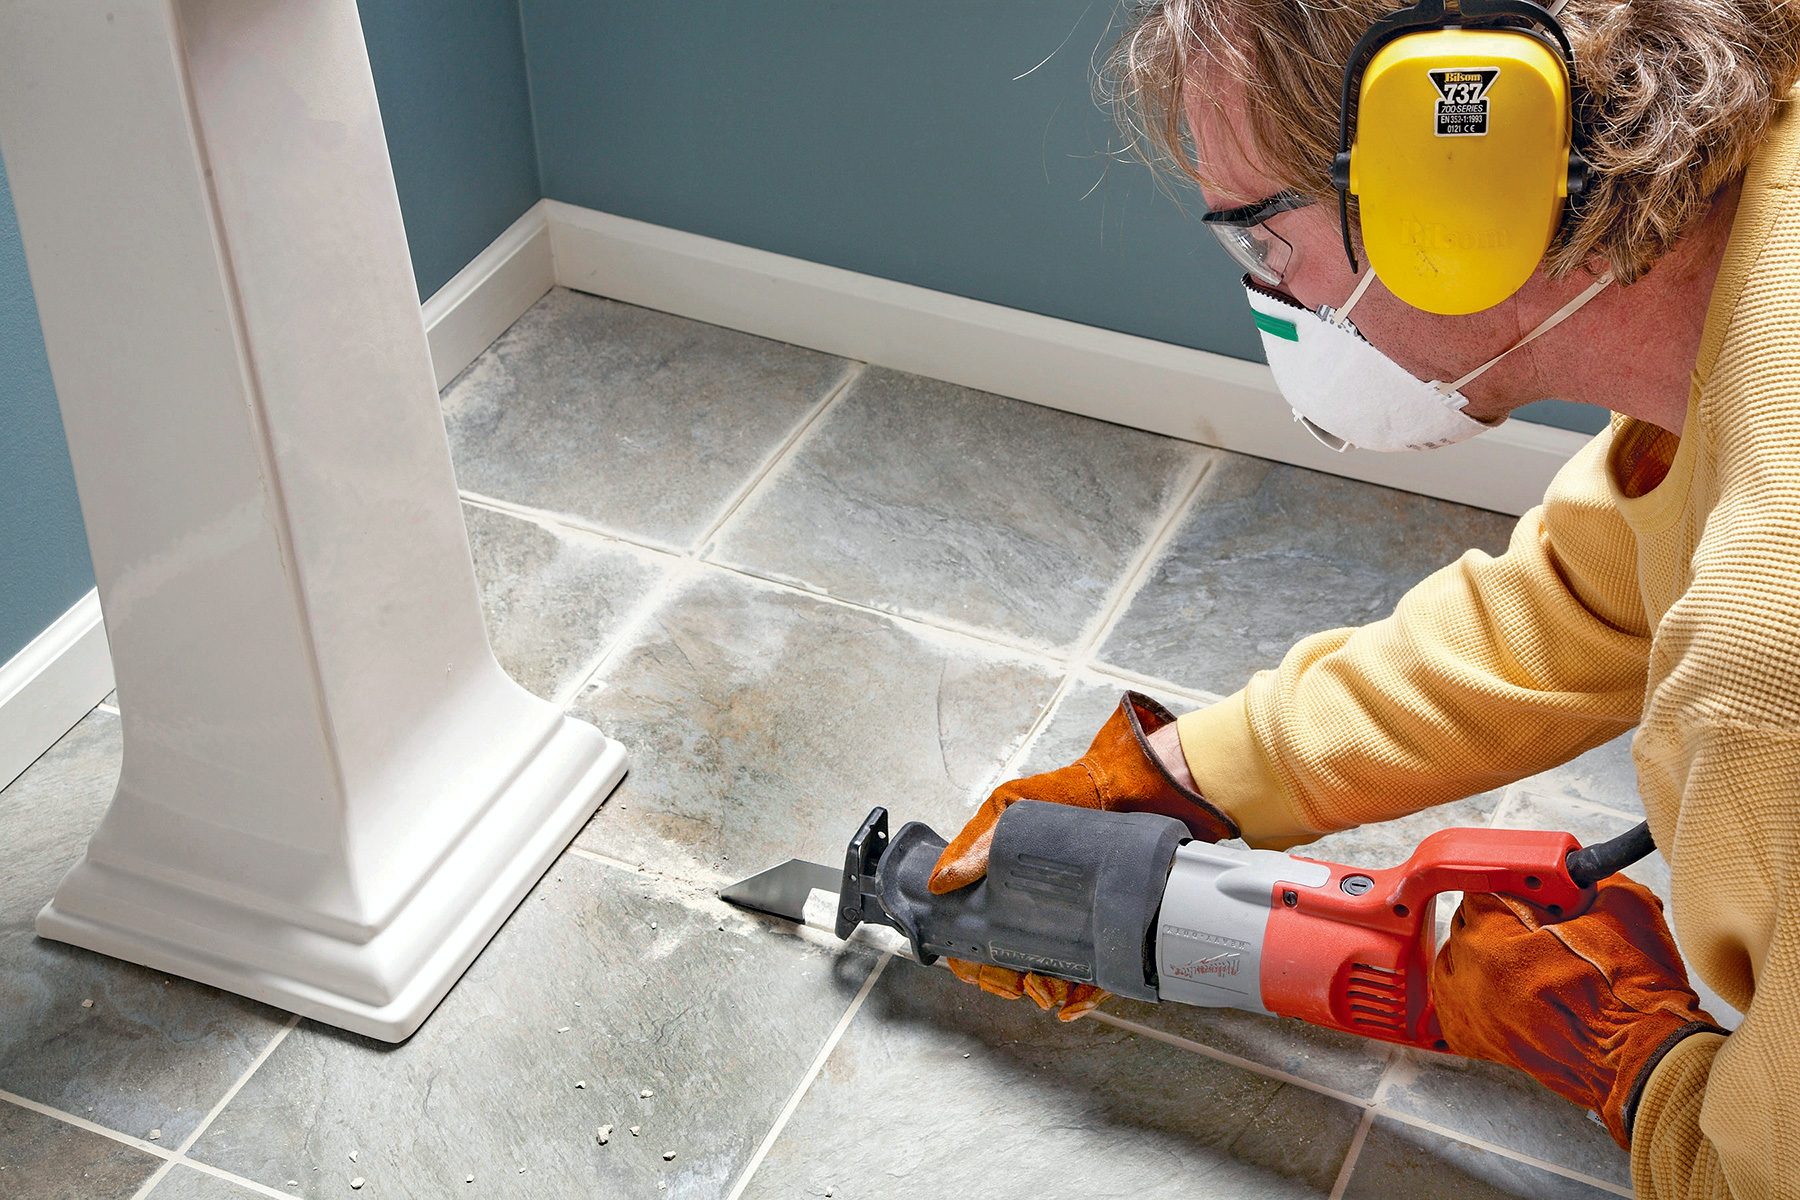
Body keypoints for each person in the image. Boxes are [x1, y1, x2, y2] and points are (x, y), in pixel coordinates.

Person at [928, 2, 1800, 1195]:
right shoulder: (1752, 281)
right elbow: (1585, 598)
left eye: (1260, 239)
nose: (1269, 293)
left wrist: (1634, 1061)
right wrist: (1189, 776)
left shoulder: (1770, 658)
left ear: (1456, 185)